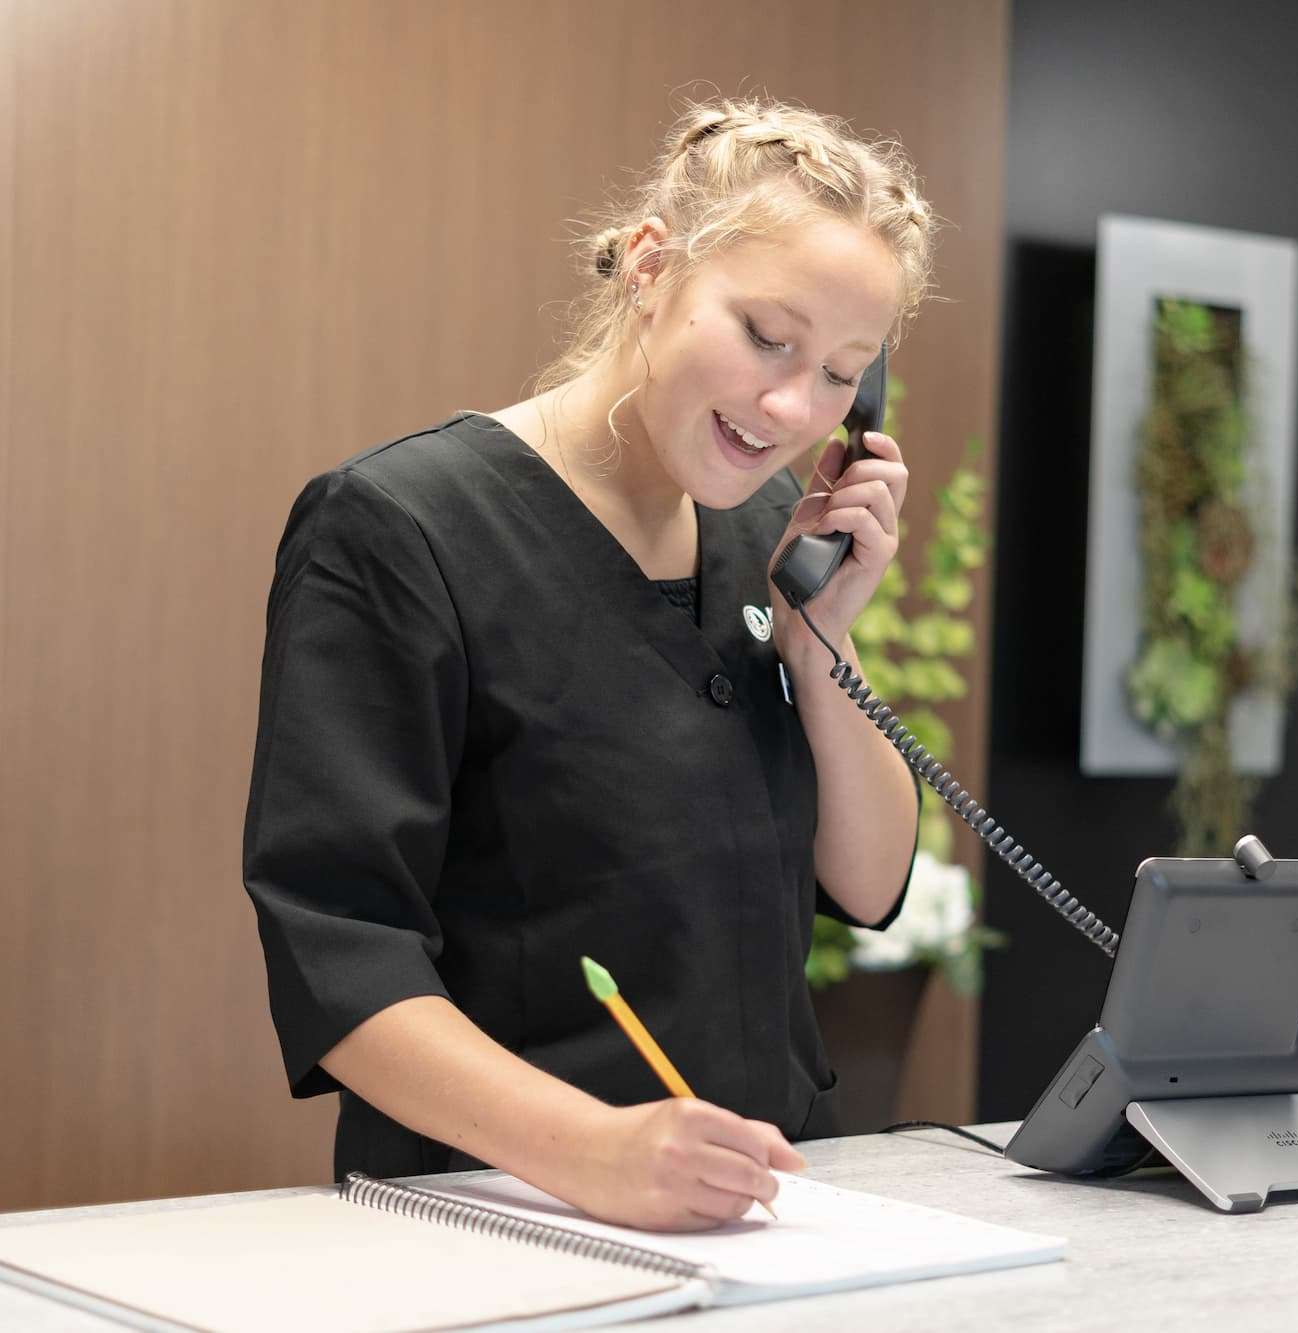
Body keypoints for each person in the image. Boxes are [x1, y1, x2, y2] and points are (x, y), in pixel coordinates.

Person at [242, 96, 939, 1232]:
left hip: (766, 1220)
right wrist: (593, 1150)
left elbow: (867, 885)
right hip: (495, 1216)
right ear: (652, 269)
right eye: (767, 337)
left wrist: (823, 641)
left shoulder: (770, 531)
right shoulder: (396, 529)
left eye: (836, 375)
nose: (789, 406)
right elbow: (338, 954)